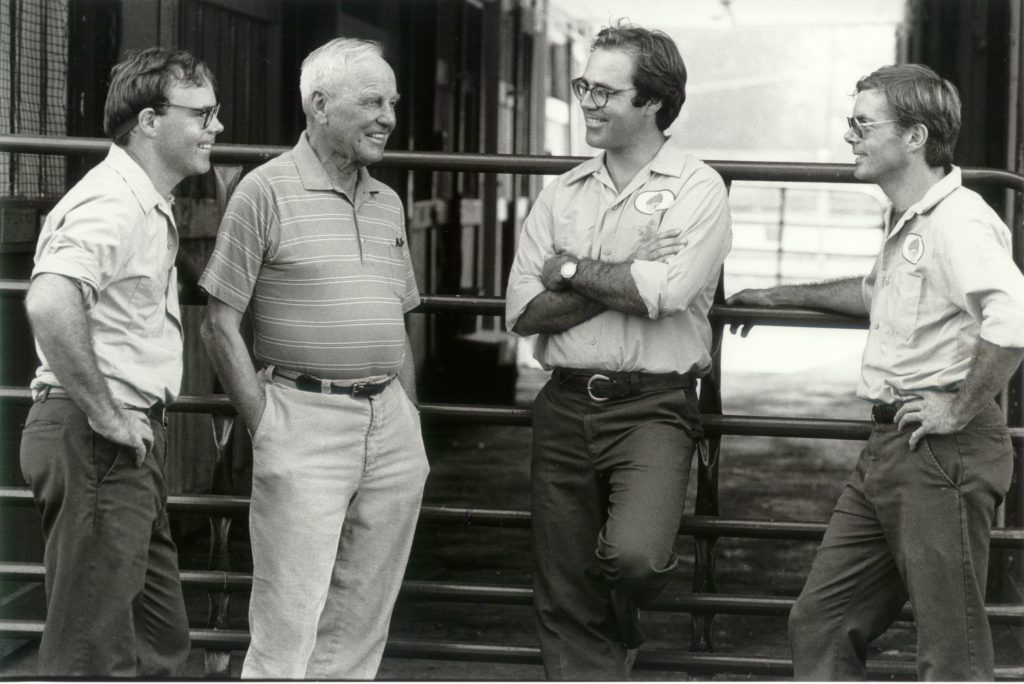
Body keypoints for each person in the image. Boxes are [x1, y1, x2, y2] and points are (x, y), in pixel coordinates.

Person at [727, 64, 1024, 680]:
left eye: (864, 124)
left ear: (914, 136)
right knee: (823, 622)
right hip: (891, 450)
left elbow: (1015, 319)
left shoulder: (958, 220)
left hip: (939, 447)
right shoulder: (914, 219)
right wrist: (781, 296)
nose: (850, 137)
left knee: (951, 650)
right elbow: (874, 295)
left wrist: (959, 407)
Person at [505, 23, 732, 679]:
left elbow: (665, 291)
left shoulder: (697, 188)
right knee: (563, 583)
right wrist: (622, 270)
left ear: (655, 101)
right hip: (566, 403)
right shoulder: (563, 192)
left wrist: (571, 271)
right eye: (584, 87)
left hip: (653, 407)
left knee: (636, 558)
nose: (588, 102)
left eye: (606, 91)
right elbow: (522, 312)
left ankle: (618, 629)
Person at [198, 37, 428, 679]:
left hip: (390, 426)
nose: (388, 115)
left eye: (392, 102)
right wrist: (266, 425)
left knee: (362, 618)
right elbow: (219, 325)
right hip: (302, 419)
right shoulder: (263, 191)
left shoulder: (387, 202)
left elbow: (397, 320)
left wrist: (408, 420)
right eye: (372, 101)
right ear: (320, 105)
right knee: (288, 618)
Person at [19, 48, 223, 676]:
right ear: (150, 121)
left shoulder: (145, 202)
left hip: (121, 449)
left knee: (153, 641)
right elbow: (51, 302)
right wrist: (108, 417)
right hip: (99, 442)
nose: (216, 127)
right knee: (90, 656)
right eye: (203, 113)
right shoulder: (113, 202)